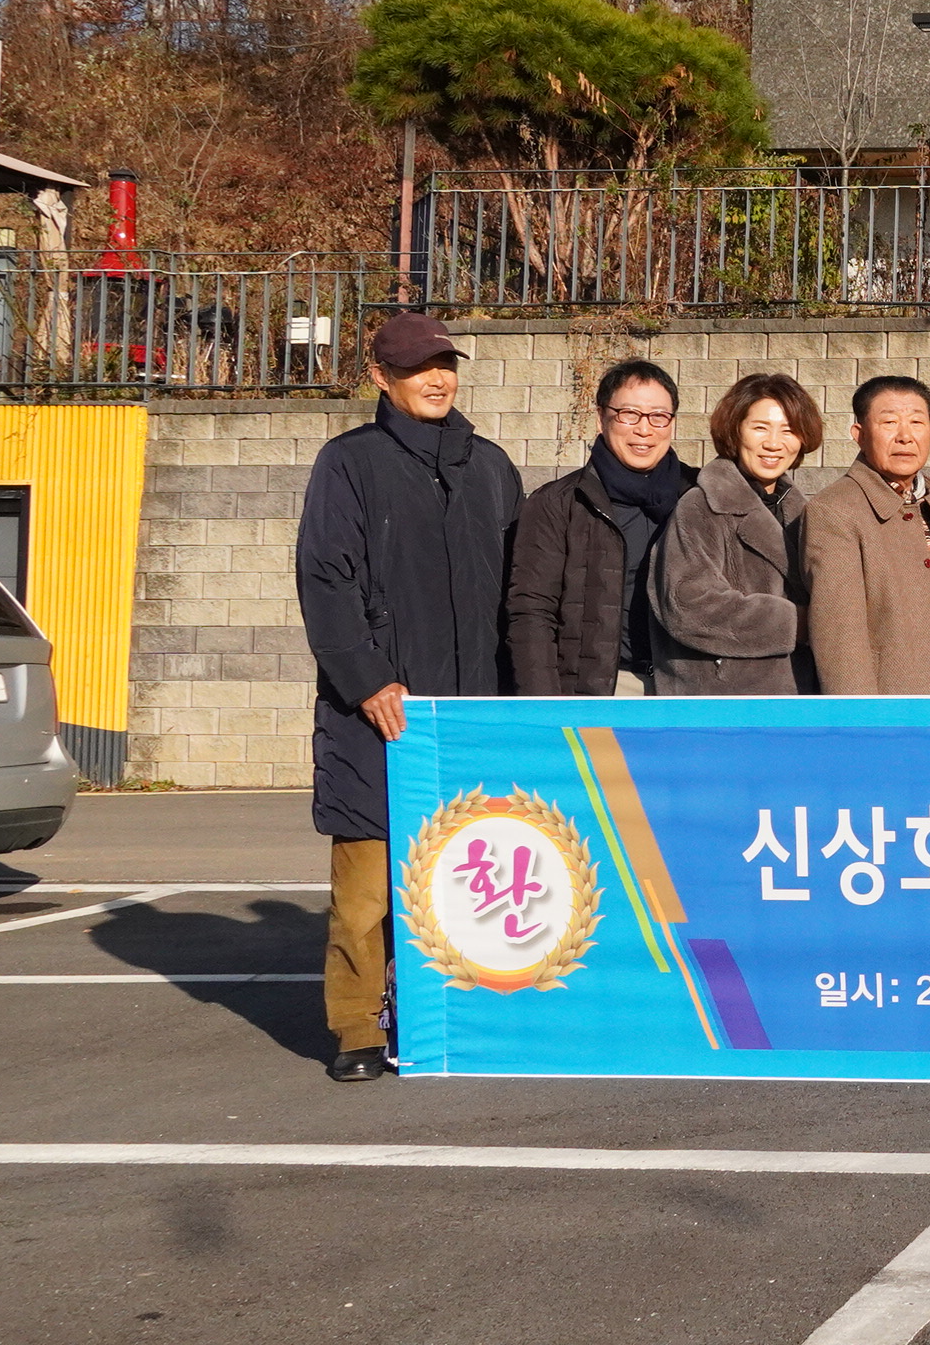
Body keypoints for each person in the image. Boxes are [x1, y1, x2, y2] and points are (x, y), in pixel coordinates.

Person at [296, 312, 521, 1083]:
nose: (436, 379)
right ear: (381, 378)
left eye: (445, 365)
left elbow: (516, 591)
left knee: (469, 874)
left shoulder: (490, 466)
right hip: (379, 718)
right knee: (366, 890)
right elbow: (325, 580)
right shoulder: (348, 463)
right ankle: (359, 1027)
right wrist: (366, 680)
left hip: (471, 716)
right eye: (419, 367)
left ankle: (465, 1014)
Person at [508, 359, 693, 698]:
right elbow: (532, 611)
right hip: (598, 692)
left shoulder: (699, 496)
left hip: (686, 690)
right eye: (629, 414)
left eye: (658, 416)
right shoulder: (559, 503)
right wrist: (546, 707)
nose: (644, 429)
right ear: (601, 417)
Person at [652, 372, 821, 695]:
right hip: (723, 698)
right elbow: (689, 604)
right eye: (760, 428)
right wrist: (798, 623)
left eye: (788, 430)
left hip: (795, 696)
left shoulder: (804, 512)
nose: (774, 443)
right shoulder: (702, 506)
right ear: (735, 430)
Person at [805, 376, 930, 696]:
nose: (905, 436)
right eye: (889, 422)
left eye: (916, 422)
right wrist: (862, 717)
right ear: (859, 434)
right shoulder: (835, 510)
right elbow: (839, 638)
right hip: (889, 706)